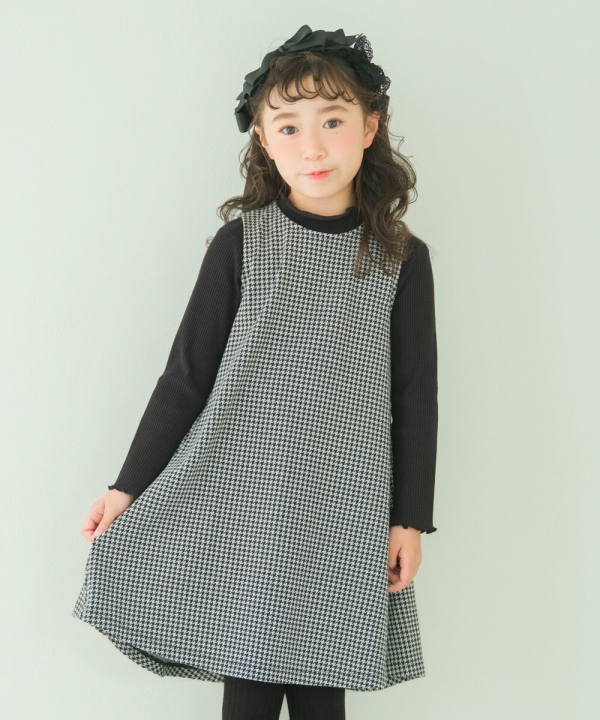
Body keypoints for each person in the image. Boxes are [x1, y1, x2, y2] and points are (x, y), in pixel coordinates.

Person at [73, 25, 439, 720]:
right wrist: (127, 487)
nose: (313, 146)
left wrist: (410, 519)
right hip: (243, 492)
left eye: (333, 121)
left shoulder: (400, 257)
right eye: (289, 127)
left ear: (370, 127)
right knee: (250, 673)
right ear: (265, 142)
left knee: (323, 673)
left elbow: (415, 397)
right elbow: (186, 376)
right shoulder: (243, 242)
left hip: (344, 502)